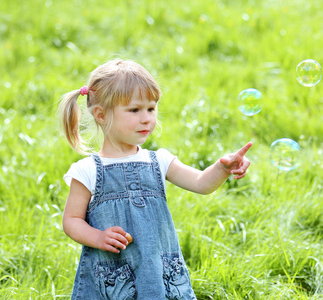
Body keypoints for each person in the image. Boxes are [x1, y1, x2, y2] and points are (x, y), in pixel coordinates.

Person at [58, 59, 252, 299]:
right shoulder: (87, 171)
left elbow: (201, 183)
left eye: (151, 108)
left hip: (160, 273)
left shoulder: (159, 160)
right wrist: (97, 237)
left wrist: (222, 169)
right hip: (113, 279)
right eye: (134, 110)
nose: (147, 118)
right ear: (101, 114)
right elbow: (71, 220)